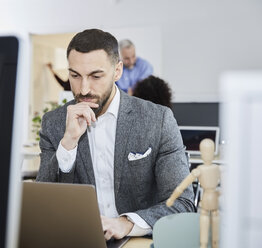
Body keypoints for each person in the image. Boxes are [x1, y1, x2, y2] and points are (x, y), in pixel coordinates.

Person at [36, 29, 195, 241]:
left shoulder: (158, 120)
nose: (83, 89)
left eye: (96, 76)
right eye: (75, 76)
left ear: (117, 71)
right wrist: (68, 143)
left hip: (137, 241)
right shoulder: (53, 124)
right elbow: (42, 206)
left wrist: (126, 223)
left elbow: (182, 204)